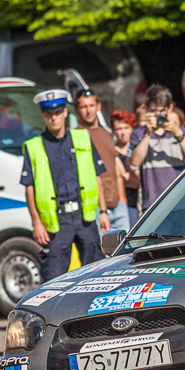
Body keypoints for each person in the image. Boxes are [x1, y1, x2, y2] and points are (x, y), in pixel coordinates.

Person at [21, 89, 110, 281]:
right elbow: (29, 187)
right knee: (54, 277)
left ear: (65, 113)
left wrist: (103, 211)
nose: (54, 118)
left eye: (57, 113)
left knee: (97, 273)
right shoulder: (33, 146)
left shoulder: (83, 138)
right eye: (49, 114)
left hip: (85, 217)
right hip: (57, 221)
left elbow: (96, 176)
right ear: (43, 116)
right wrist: (37, 223)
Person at [130, 84, 185, 210]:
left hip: (182, 201)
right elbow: (135, 162)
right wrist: (148, 134)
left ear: (170, 108)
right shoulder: (139, 133)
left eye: (161, 111)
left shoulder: (182, 131)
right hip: (153, 204)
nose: (158, 115)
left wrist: (177, 133)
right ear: (146, 109)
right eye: (153, 111)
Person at [73, 88, 130, 234]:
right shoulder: (75, 136)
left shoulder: (106, 133)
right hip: (96, 208)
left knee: (125, 248)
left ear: (98, 106)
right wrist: (101, 209)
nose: (89, 111)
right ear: (76, 110)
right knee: (102, 248)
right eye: (84, 107)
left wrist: (122, 200)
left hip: (118, 206)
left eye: (92, 105)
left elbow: (115, 167)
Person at [110, 109, 141, 226]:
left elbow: (136, 181)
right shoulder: (112, 152)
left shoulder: (138, 150)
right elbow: (125, 181)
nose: (123, 132)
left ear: (132, 128)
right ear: (113, 131)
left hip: (142, 202)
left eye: (126, 128)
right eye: (119, 129)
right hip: (125, 206)